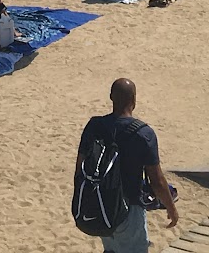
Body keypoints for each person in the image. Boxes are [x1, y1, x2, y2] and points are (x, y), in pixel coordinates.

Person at [75, 78, 179, 251]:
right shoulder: (144, 133)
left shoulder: (94, 126)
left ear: (111, 97)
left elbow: (80, 169)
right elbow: (157, 181)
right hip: (129, 208)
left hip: (101, 205)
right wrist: (171, 208)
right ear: (134, 100)